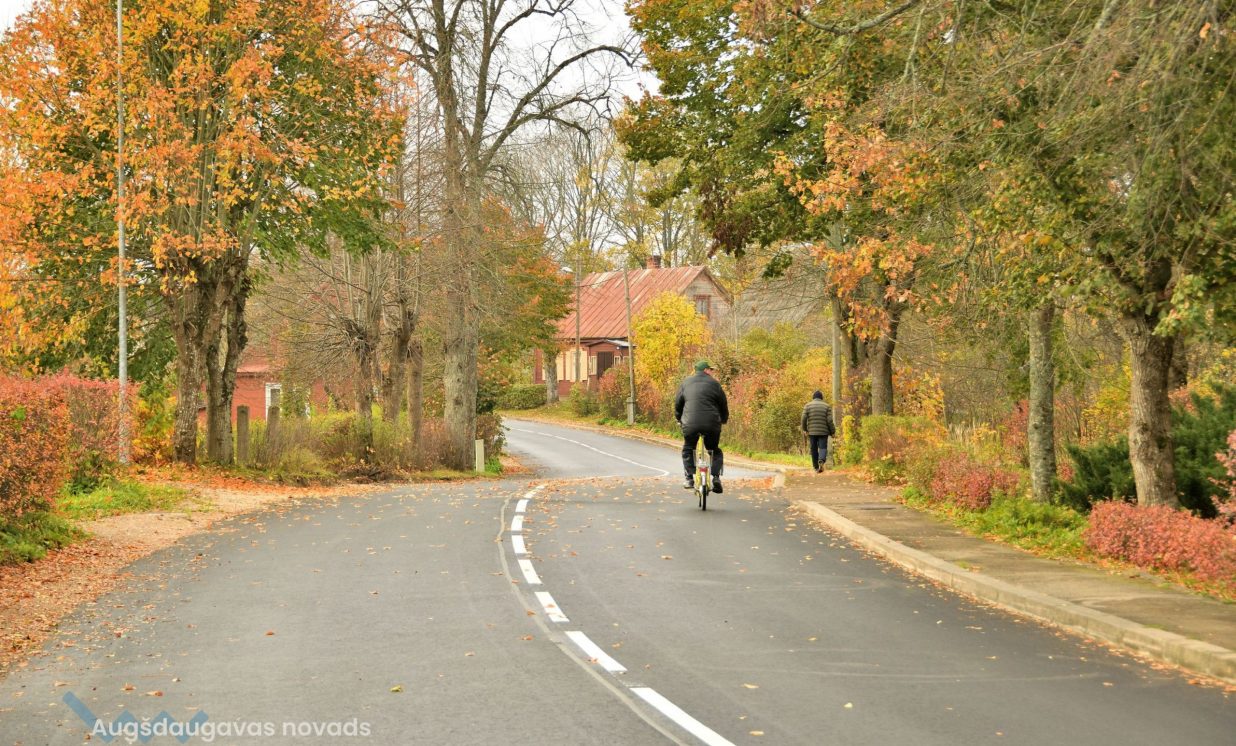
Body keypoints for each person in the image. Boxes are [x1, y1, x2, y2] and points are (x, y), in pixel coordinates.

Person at [674, 360, 728, 493]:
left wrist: (679, 418)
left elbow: (678, 404)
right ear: (705, 370)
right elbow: (723, 404)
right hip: (711, 424)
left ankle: (689, 478)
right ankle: (716, 478)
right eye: (710, 369)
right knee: (714, 450)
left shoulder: (686, 383)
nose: (711, 372)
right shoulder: (715, 384)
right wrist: (724, 419)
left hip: (690, 424)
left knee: (688, 449)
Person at [801, 390, 836, 472]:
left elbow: (803, 419)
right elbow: (829, 421)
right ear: (821, 398)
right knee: (823, 447)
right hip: (823, 432)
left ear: (813, 397)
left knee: (813, 449)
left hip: (812, 432)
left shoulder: (807, 406)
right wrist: (832, 432)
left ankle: (816, 467)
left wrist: (805, 429)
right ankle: (821, 460)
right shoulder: (827, 406)